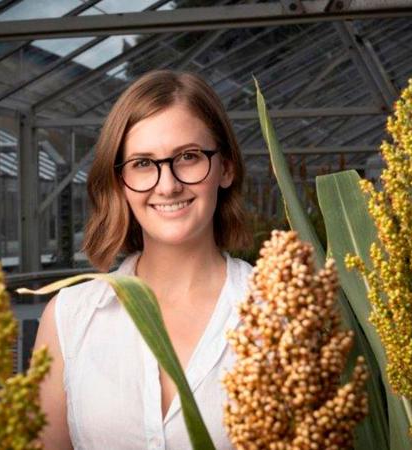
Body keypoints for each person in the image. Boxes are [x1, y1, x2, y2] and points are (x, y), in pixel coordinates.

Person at [33, 70, 254, 450]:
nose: (167, 185)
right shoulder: (69, 318)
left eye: (188, 157)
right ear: (119, 181)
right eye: (142, 163)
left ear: (226, 168)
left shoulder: (277, 309)